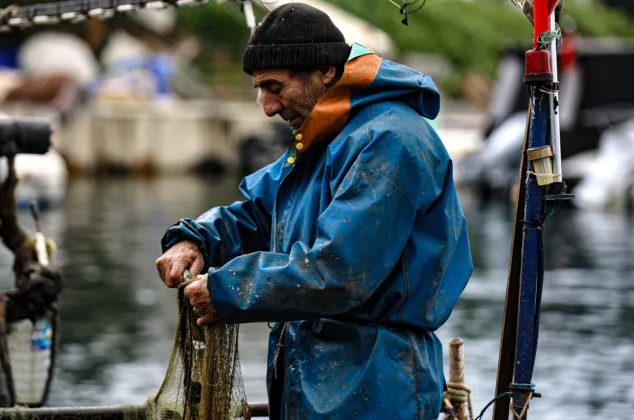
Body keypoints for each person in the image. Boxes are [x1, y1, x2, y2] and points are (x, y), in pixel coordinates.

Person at [156, 3, 473, 419]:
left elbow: (337, 273)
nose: (267, 105)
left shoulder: (389, 141)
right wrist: (195, 237)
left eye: (274, 86)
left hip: (376, 383)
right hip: (315, 380)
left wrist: (226, 290)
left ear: (324, 71)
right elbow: (260, 213)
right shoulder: (325, 135)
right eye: (259, 89)